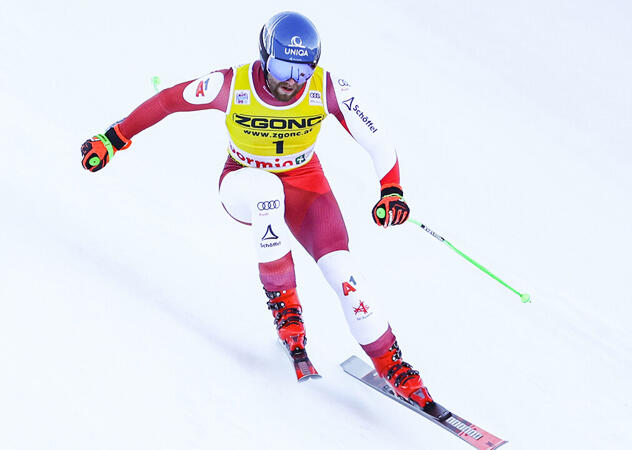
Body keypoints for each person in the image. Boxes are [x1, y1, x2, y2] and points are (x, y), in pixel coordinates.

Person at [80, 11, 434, 408]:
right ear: (265, 56)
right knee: (267, 191)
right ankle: (286, 308)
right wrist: (114, 138)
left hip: (306, 185)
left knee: (344, 271)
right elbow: (168, 101)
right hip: (243, 180)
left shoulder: (328, 88)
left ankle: (392, 364)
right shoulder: (232, 84)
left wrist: (391, 191)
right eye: (283, 67)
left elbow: (378, 139)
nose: (290, 81)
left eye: (302, 72)